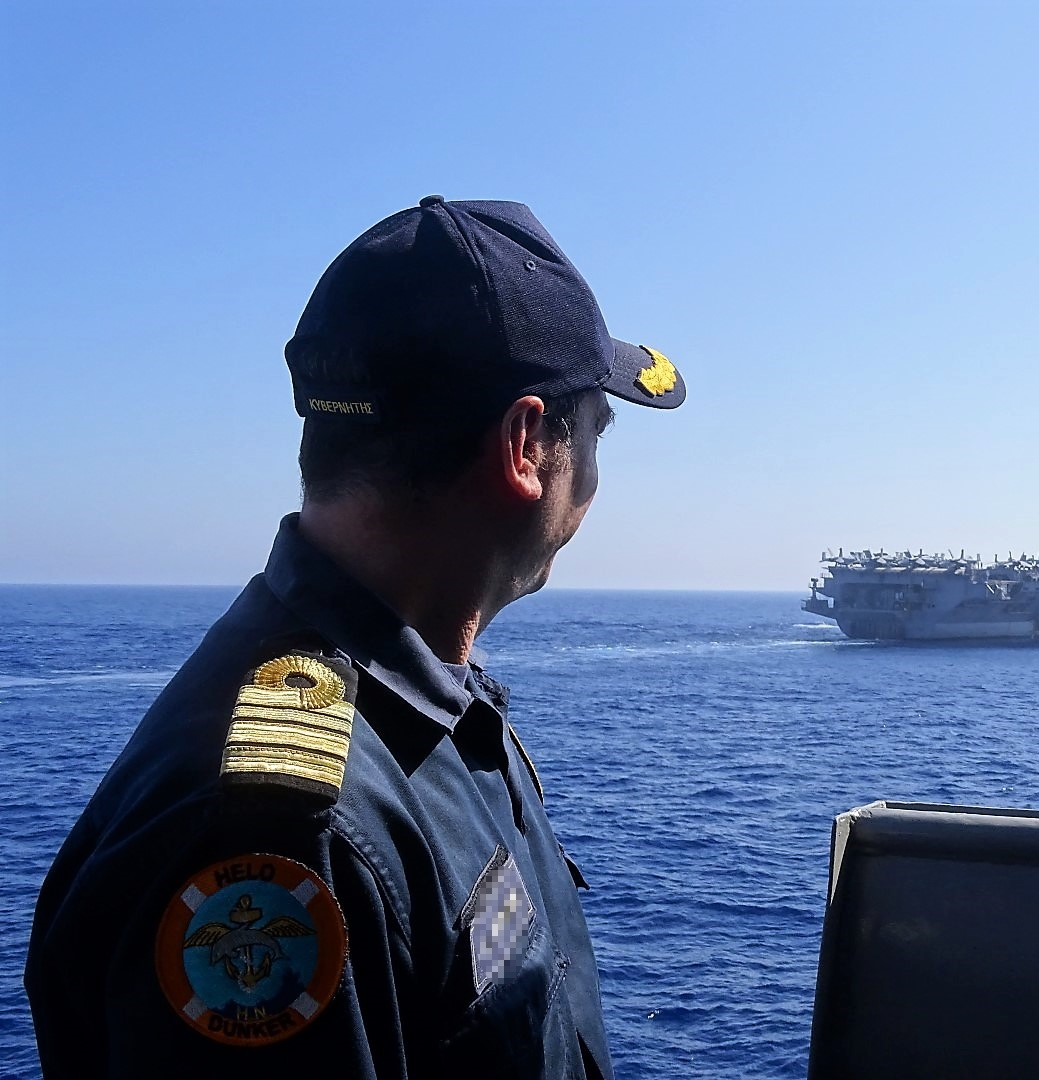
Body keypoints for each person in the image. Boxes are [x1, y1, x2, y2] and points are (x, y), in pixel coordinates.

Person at [25, 196, 685, 1078]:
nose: (598, 478)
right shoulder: (285, 837)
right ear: (526, 446)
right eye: (598, 431)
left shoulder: (432, 705)